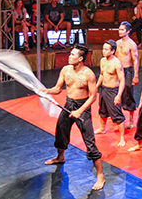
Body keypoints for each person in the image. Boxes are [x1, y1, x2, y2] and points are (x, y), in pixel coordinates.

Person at [41, 44, 106, 190]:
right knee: (60, 132)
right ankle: (60, 157)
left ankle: (100, 176)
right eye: (70, 54)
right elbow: (58, 88)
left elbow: (93, 97)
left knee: (89, 142)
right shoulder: (65, 70)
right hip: (68, 104)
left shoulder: (88, 74)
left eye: (73, 55)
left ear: (81, 58)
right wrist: (46, 91)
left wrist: (79, 111)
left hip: (82, 107)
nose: (69, 56)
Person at [94, 40, 126, 147]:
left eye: (106, 49)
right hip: (104, 89)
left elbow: (122, 80)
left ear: (112, 51)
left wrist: (118, 95)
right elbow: (102, 75)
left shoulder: (117, 63)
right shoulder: (102, 61)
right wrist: (96, 87)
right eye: (103, 49)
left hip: (113, 91)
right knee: (102, 110)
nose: (104, 51)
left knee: (116, 115)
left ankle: (122, 138)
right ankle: (102, 128)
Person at [116, 21, 139, 129]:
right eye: (119, 29)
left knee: (128, 92)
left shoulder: (132, 44)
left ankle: (130, 119)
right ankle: (118, 117)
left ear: (128, 31)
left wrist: (136, 75)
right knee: (117, 92)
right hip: (118, 70)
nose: (119, 31)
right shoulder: (117, 43)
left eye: (122, 29)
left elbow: (135, 60)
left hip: (128, 70)